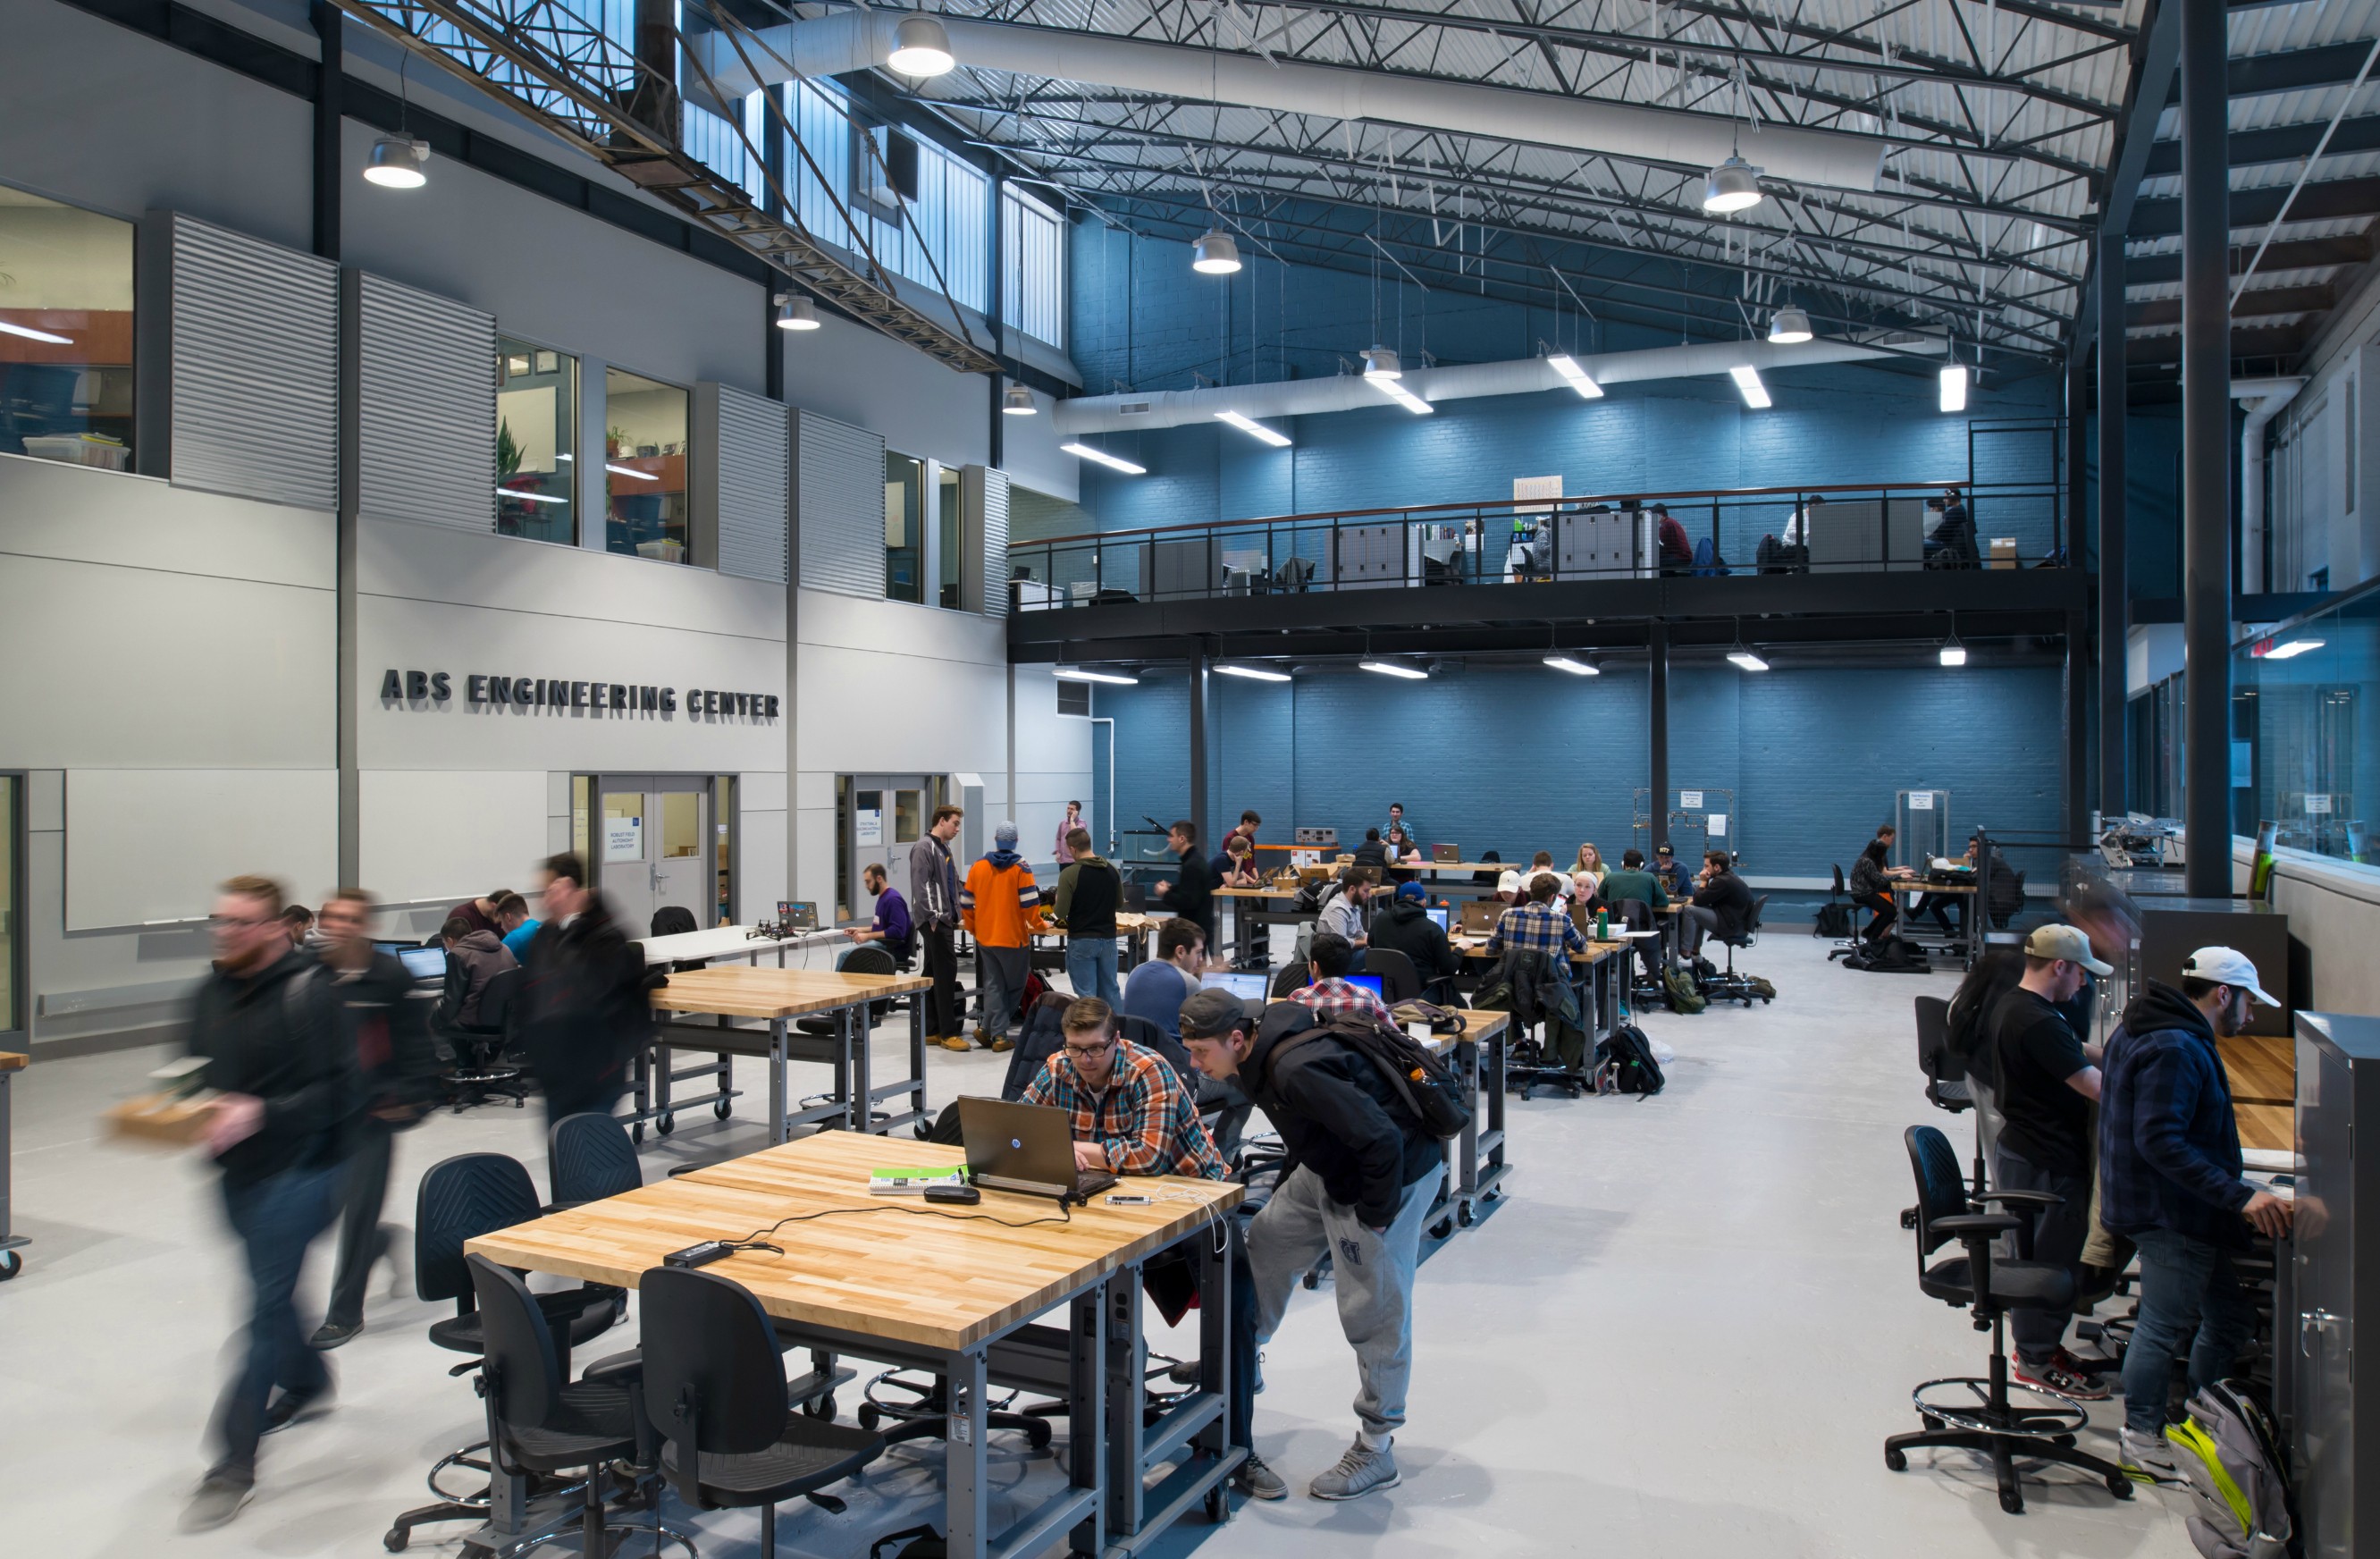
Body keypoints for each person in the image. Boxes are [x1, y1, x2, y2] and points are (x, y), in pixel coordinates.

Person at [1178, 986, 1447, 1502]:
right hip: (1327, 1167)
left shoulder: (1294, 1068)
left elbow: (1381, 1140)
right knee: (1265, 1248)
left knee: (1374, 1310)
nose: (1195, 1063)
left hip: (1387, 1179)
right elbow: (1306, 1128)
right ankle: (1241, 1357)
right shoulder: (1257, 1051)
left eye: (1201, 1052)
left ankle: (1377, 1445)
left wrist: (1374, 1218)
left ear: (1237, 1038)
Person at [178, 874, 358, 1531]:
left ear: (275, 927)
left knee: (260, 1307)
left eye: (240, 923)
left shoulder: (312, 995)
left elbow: (341, 1095)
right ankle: (309, 1381)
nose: (226, 933)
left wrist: (260, 1112)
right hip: (236, 1174)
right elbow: (190, 1068)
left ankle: (232, 1463)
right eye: (219, 921)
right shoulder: (208, 992)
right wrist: (183, 1109)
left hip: (304, 1170)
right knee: (271, 1294)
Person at [2099, 948, 2292, 1477]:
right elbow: (2161, 1142)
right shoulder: (2177, 1046)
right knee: (2162, 1327)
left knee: (2230, 1319)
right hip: (2171, 1215)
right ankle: (2141, 1439)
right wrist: (2242, 1195)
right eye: (2248, 1002)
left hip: (2172, 1207)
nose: (2251, 1016)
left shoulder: (2149, 1026)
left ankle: (2204, 1424)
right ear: (2222, 994)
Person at [1987, 925, 2117, 1400]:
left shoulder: (2025, 1007)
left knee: (2042, 1256)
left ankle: (2040, 1347)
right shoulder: (2037, 1020)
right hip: (2045, 1159)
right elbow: (2096, 1087)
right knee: (2048, 1263)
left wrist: (2128, 1057)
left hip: (2029, 1147)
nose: (2084, 983)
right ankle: (2036, 1358)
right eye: (2081, 972)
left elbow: (2078, 1052)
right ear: (2060, 967)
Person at [312, 889, 436, 1350]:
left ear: (364, 924)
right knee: (326, 1209)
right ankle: (381, 1244)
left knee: (358, 1212)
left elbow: (416, 1041)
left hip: (372, 1114)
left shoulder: (387, 975)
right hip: (323, 1115)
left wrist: (412, 1096)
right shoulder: (313, 976)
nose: (340, 926)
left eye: (350, 918)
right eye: (333, 918)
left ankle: (344, 1314)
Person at [516, 852, 649, 1126]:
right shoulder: (545, 937)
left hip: (595, 1076)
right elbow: (533, 996)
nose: (545, 900)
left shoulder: (603, 937)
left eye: (550, 890)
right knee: (561, 1156)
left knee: (586, 1154)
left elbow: (588, 992)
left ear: (570, 889)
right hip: (555, 1078)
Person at [961, 822, 1046, 1052]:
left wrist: (973, 928)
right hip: (1013, 938)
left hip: (986, 938)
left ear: (996, 839)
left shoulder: (978, 866)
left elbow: (966, 903)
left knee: (994, 985)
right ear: (1015, 841)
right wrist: (1040, 925)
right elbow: (1029, 903)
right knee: (1016, 986)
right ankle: (998, 1035)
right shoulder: (1021, 868)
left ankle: (988, 1028)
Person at [909, 805, 965, 1048]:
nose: (957, 829)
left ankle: (931, 1029)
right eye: (955, 823)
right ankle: (947, 1032)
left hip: (944, 919)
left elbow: (953, 885)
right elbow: (921, 887)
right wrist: (934, 919)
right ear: (941, 821)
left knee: (932, 974)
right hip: (935, 922)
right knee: (946, 974)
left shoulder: (944, 849)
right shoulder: (924, 848)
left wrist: (964, 910)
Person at [1053, 828, 1123, 1008]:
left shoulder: (1069, 874)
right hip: (1108, 940)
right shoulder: (1112, 870)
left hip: (1082, 939)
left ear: (1073, 849)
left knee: (1086, 995)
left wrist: (1057, 900)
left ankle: (1091, 1035)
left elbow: (1060, 913)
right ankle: (1119, 1032)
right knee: (1111, 991)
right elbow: (1119, 904)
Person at [1367, 881, 1459, 1002]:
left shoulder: (1380, 920)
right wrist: (1460, 949)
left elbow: (1371, 944)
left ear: (1398, 900)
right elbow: (1448, 968)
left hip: (1385, 991)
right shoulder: (1432, 929)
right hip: (1423, 994)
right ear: (1424, 903)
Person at [1121, 917, 1207, 1042]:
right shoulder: (1189, 983)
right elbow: (1201, 1033)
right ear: (1180, 952)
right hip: (1173, 1058)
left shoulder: (1135, 972)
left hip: (1135, 1054)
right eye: (1198, 952)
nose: (1201, 959)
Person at [1597, 847, 1670, 985]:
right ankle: (1653, 973)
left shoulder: (1610, 878)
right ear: (1642, 865)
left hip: (1615, 933)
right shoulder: (1649, 877)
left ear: (1623, 864)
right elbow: (1664, 902)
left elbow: (1600, 901)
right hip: (1642, 932)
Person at [1291, 931, 1394, 1025]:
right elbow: (1395, 1035)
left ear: (1316, 967)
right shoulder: (1370, 998)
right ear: (1347, 965)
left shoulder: (1297, 999)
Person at [435, 913, 517, 1031]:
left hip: (476, 1021)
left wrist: (436, 1020)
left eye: (445, 944)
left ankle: (455, 1049)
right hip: (508, 1017)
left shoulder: (458, 954)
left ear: (450, 941)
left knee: (435, 1012)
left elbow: (453, 1000)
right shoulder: (504, 947)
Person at [1152, 819, 1216, 950]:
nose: (1168, 840)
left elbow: (1189, 901)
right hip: (1197, 931)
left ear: (1182, 839)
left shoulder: (1192, 865)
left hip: (1193, 933)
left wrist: (1165, 893)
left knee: (1192, 970)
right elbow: (1192, 889)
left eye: (1171, 836)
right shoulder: (1194, 861)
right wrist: (1172, 888)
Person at [1678, 850, 1753, 963]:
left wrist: (1703, 881)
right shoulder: (1728, 877)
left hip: (1730, 927)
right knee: (1699, 911)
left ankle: (1686, 950)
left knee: (1689, 910)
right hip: (1737, 924)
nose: (1704, 869)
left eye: (1707, 866)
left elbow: (1698, 900)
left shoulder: (1722, 881)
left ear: (1717, 867)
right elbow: (1703, 900)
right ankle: (1695, 950)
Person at [1846, 825, 1912, 947]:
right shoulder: (1867, 862)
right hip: (1863, 893)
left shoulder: (1867, 859)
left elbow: (1879, 876)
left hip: (1863, 892)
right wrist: (1900, 876)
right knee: (1891, 912)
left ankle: (1869, 932)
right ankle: (1873, 938)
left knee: (1887, 910)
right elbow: (1881, 880)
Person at [842, 863, 913, 966]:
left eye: (868, 882)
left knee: (844, 955)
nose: (867, 886)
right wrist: (859, 930)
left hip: (893, 949)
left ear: (879, 879)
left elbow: (898, 931)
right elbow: (883, 927)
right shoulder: (884, 898)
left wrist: (867, 936)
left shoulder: (893, 900)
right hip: (885, 944)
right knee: (850, 955)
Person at [1316, 866, 1375, 960]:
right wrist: (1365, 942)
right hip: (1334, 958)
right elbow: (1341, 943)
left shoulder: (1354, 905)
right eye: (1366, 891)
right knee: (1377, 956)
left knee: (1382, 947)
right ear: (1352, 889)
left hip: (1348, 952)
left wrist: (1375, 937)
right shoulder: (1337, 909)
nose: (1370, 895)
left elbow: (1360, 934)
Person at [1927, 486, 1978, 569]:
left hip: (1956, 551)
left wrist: (1934, 530)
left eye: (1946, 498)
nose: (1944, 500)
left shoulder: (1956, 511)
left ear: (1952, 497)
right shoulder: (1959, 510)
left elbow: (1942, 529)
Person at [443, 888, 511, 939]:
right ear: (494, 906)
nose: (501, 921)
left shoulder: (495, 915)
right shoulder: (460, 915)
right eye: (501, 916)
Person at [494, 890, 540, 961]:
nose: (501, 926)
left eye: (501, 921)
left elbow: (494, 962)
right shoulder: (543, 926)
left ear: (508, 917)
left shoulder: (514, 937)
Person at [1653, 502, 1693, 574]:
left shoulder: (1667, 524)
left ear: (1660, 515)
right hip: (1682, 555)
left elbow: (1656, 537)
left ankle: (1665, 582)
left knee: (1656, 563)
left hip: (1682, 557)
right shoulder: (1670, 521)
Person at [1052, 799, 1085, 864]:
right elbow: (1058, 839)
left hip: (1075, 861)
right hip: (1063, 860)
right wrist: (1058, 852)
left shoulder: (1082, 823)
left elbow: (1075, 832)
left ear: (1077, 812)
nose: (1069, 811)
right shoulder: (1062, 823)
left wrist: (1072, 820)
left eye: (1072, 809)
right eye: (1068, 808)